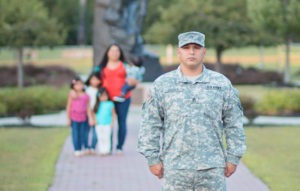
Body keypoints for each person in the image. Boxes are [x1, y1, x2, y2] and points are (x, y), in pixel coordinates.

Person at [137, 31, 246, 190]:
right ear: (179, 52)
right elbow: (150, 123)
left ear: (204, 51)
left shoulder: (221, 84)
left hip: (212, 168)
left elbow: (234, 123)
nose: (192, 52)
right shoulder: (163, 84)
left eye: (196, 47)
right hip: (175, 167)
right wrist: (152, 158)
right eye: (186, 47)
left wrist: (233, 157)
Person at [97, 43, 138, 154]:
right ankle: (107, 147)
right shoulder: (102, 67)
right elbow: (96, 81)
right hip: (107, 100)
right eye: (112, 51)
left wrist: (133, 81)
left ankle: (119, 147)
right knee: (107, 122)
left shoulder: (126, 66)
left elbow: (134, 81)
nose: (114, 53)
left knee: (122, 122)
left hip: (123, 99)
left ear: (120, 53)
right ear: (107, 53)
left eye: (117, 51)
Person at [66, 76, 94, 157]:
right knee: (75, 134)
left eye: (80, 84)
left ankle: (82, 148)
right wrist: (68, 118)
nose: (79, 86)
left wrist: (91, 118)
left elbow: (88, 108)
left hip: (83, 118)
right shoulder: (72, 94)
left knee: (83, 134)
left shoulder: (86, 96)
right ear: (73, 86)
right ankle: (77, 149)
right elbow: (68, 106)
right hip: (74, 118)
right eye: (77, 84)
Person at [93, 87, 116, 155]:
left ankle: (106, 150)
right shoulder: (97, 104)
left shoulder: (110, 104)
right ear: (98, 97)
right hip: (99, 124)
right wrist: (95, 121)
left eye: (105, 95)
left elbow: (113, 114)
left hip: (107, 124)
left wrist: (112, 122)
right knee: (100, 137)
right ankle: (101, 150)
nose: (103, 97)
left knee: (107, 137)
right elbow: (94, 113)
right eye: (101, 96)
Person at [85, 72, 102, 154]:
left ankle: (92, 147)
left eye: (97, 79)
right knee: (86, 132)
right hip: (87, 113)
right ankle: (86, 147)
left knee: (96, 132)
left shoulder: (101, 91)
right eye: (93, 79)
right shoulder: (87, 90)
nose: (95, 81)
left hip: (97, 113)